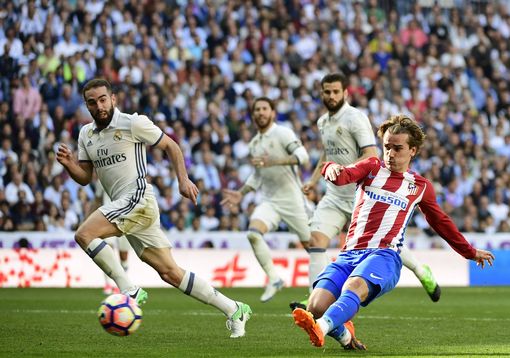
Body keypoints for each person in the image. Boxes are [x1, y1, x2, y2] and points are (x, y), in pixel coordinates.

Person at [56, 78, 251, 338]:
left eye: (103, 99)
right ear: (87, 105)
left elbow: (171, 145)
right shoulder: (86, 135)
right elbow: (85, 177)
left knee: (84, 234)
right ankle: (235, 309)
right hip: (127, 206)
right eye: (92, 102)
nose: (99, 106)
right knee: (170, 273)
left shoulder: (132, 122)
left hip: (137, 197)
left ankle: (128, 289)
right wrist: (70, 165)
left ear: (113, 99)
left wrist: (182, 179)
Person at [292, 114, 495, 350]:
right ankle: (346, 337)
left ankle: (322, 328)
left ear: (413, 151)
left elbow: (441, 222)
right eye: (387, 147)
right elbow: (342, 175)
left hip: (384, 256)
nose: (390, 153)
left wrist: (469, 252)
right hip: (350, 253)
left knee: (353, 288)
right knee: (316, 306)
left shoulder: (420, 186)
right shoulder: (371, 168)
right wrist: (331, 168)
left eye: (397, 148)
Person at [291, 73, 440, 311]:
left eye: (335, 91)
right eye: (326, 92)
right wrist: (314, 178)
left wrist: (346, 172)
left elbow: (371, 154)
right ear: (321, 94)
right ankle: (314, 296)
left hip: (363, 195)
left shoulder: (355, 118)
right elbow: (327, 153)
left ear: (345, 93)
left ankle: (422, 271)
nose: (331, 96)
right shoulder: (322, 122)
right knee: (315, 240)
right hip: (334, 194)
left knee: (382, 245)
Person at [221, 97, 311, 302]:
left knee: (312, 247)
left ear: (272, 112)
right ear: (253, 115)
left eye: (264, 109)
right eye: (257, 110)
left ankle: (324, 289)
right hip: (270, 201)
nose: (261, 112)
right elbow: (258, 175)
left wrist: (276, 161)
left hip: (292, 200)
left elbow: (302, 156)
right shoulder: (254, 144)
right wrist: (241, 193)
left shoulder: (282, 132)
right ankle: (274, 278)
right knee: (253, 234)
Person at [93, 180, 131, 295]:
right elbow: (98, 199)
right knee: (107, 250)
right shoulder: (101, 179)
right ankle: (107, 284)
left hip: (125, 218)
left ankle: (122, 285)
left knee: (124, 255)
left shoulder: (128, 176)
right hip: (108, 218)